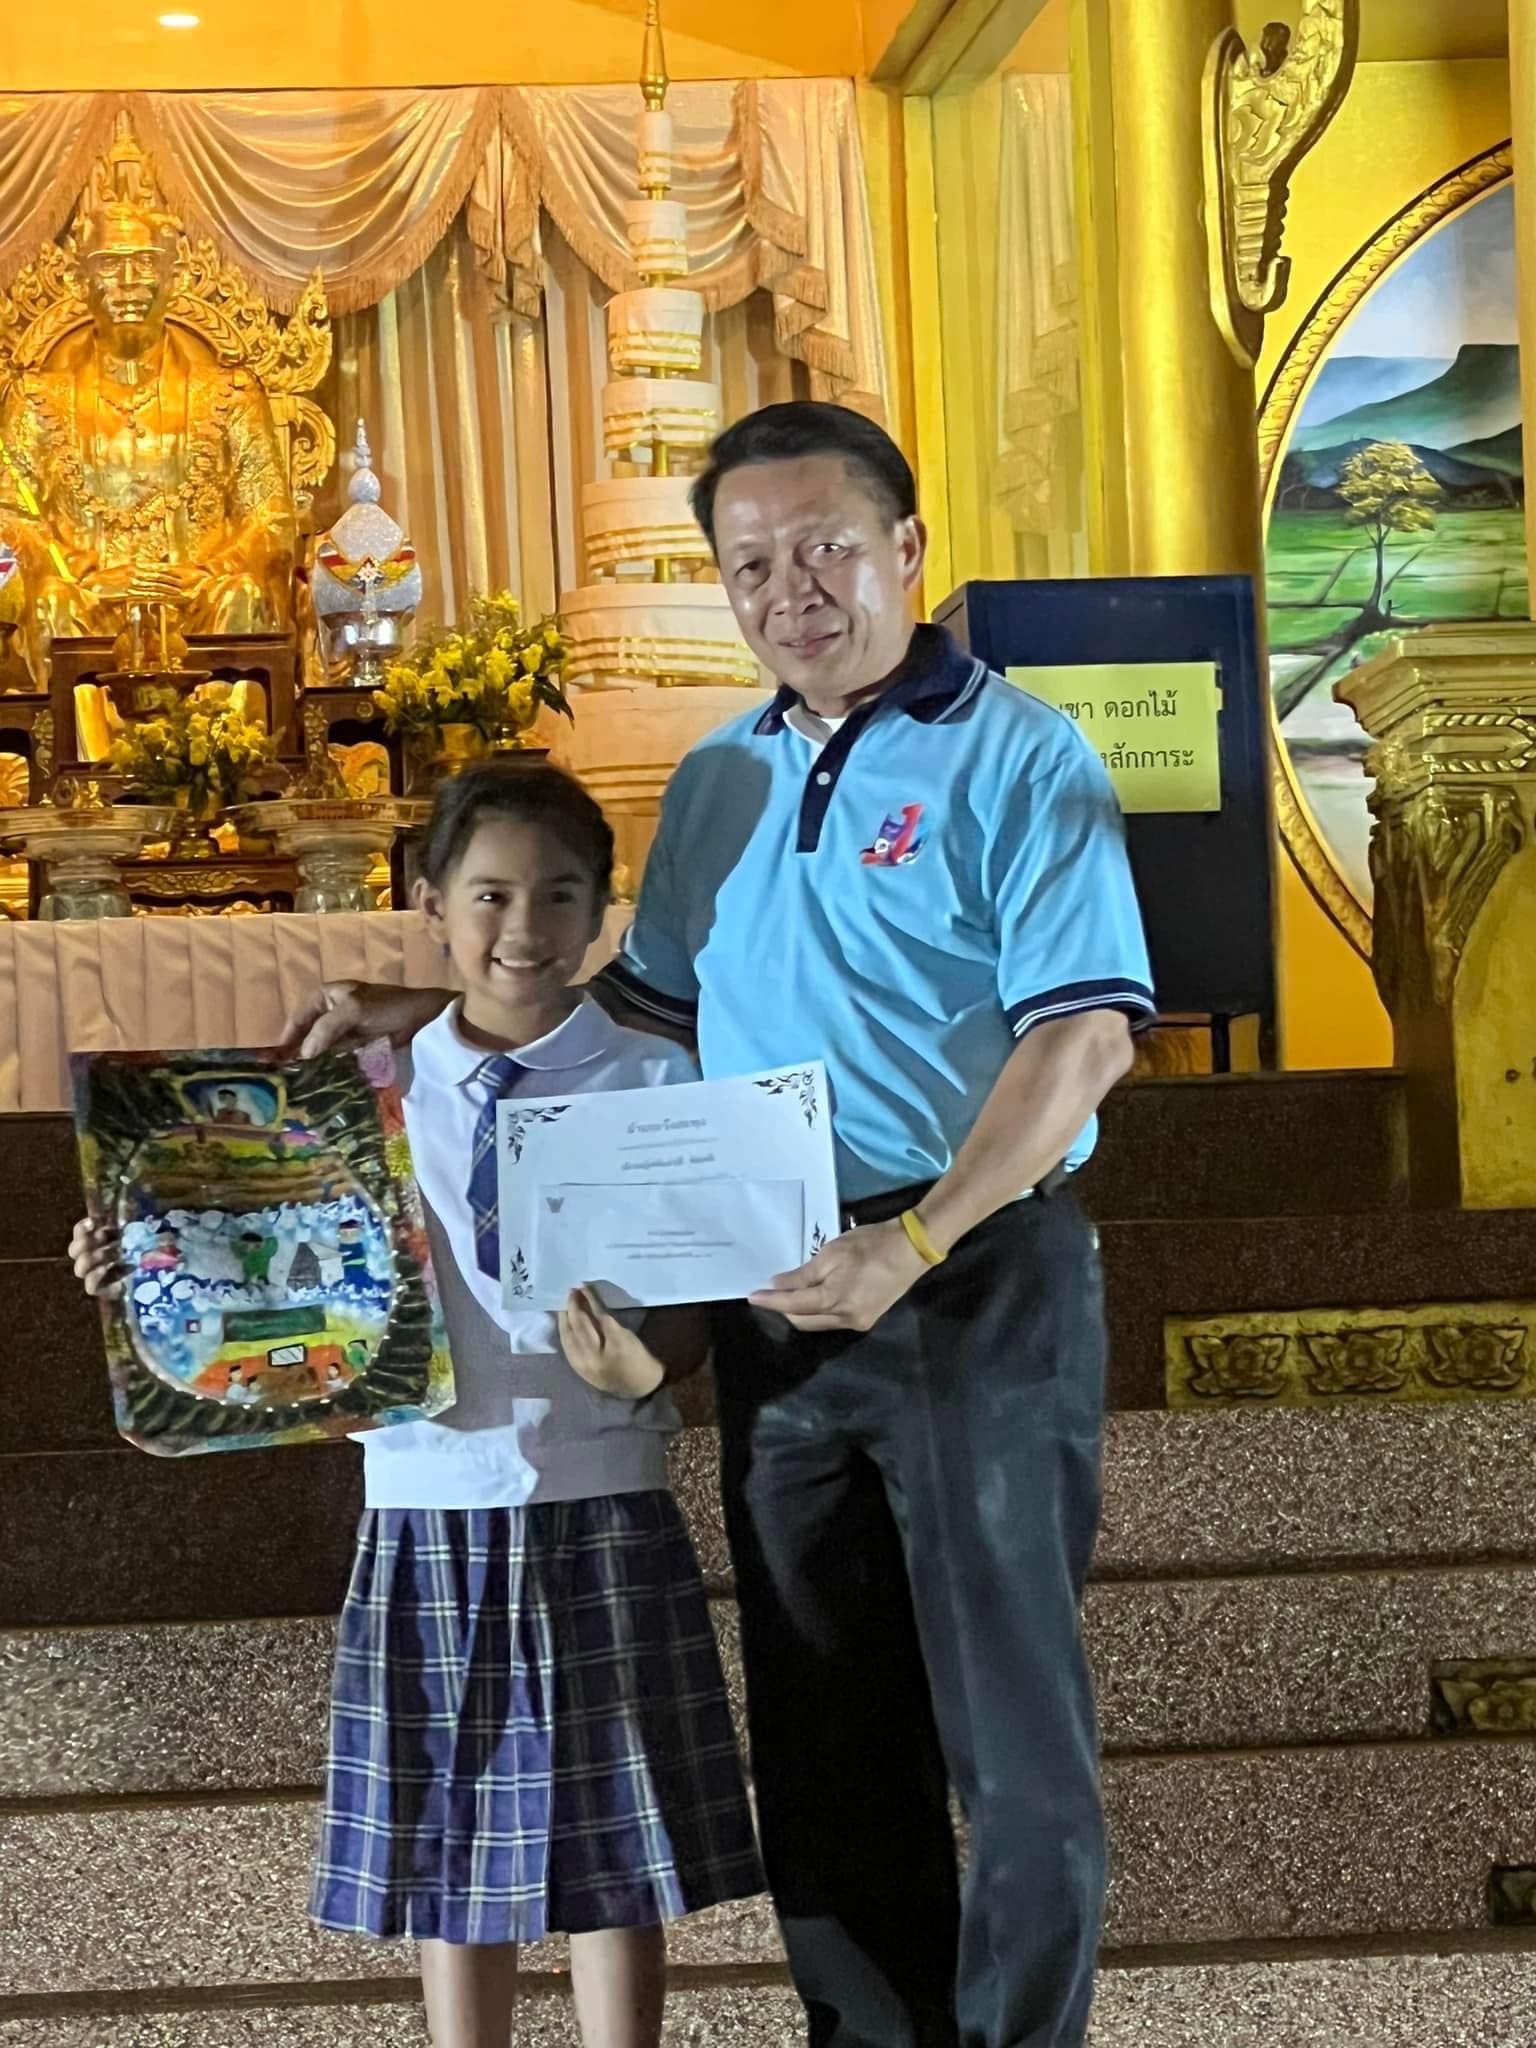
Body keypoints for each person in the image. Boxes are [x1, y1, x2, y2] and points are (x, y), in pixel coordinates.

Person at [283, 401, 1154, 2048]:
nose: (789, 589)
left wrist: (917, 1239)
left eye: (825, 548)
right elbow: (640, 1006)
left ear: (908, 549)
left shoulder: (1021, 756)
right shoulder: (719, 778)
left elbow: (1085, 1038)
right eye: (750, 563)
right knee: (821, 1724)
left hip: (971, 1277)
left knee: (1011, 1734)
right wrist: (434, 1005)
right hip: (773, 1284)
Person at [70, 762, 762, 2048]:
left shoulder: (658, 1080)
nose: (524, 926)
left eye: (560, 894)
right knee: (455, 1832)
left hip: (598, 1492)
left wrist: (651, 1363)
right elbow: (250, 1252)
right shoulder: (357, 1089)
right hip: (425, 1493)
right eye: (490, 893)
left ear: (602, 907)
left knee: (612, 1838)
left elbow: (692, 1304)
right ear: (431, 902)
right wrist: (143, 1259)